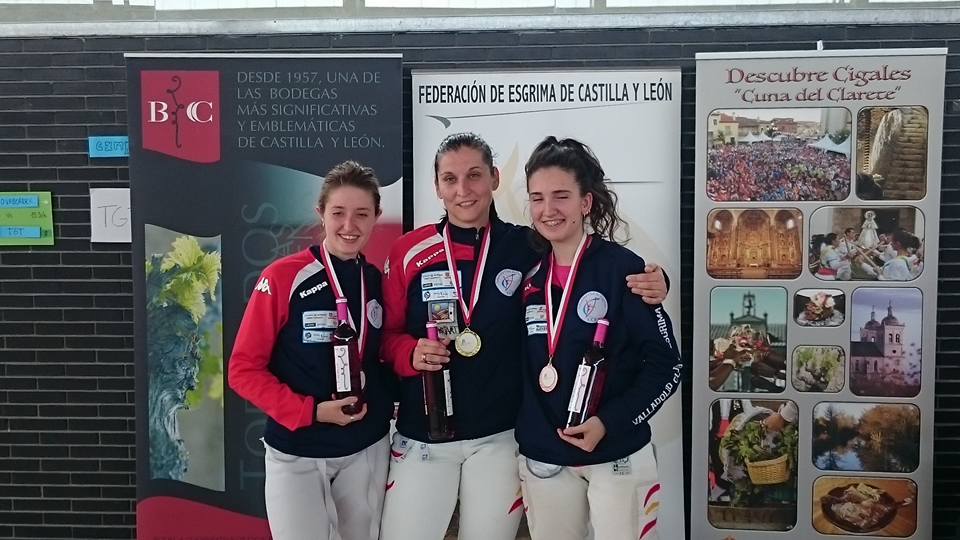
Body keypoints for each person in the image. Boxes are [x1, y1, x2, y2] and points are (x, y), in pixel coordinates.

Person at [379, 133, 669, 540]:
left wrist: (658, 280)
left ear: (495, 178)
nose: (463, 190)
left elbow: (588, 268)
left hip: (500, 438)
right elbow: (385, 338)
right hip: (425, 433)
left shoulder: (527, 246)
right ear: (437, 187)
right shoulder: (408, 250)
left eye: (474, 175)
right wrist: (409, 353)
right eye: (450, 179)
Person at [514, 136, 682, 540]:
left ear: (586, 202)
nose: (548, 210)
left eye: (561, 196)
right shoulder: (528, 274)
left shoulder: (623, 270)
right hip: (546, 458)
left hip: (616, 453)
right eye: (537, 198)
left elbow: (667, 365)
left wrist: (609, 423)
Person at [228, 161, 395, 540]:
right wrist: (311, 412)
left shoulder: (376, 281)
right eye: (338, 213)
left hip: (366, 447)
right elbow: (243, 370)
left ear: (376, 216)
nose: (349, 225)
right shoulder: (283, 276)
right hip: (298, 450)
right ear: (320, 213)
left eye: (361, 214)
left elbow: (384, 356)